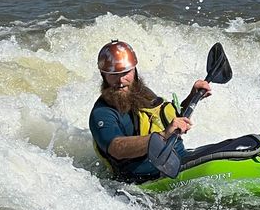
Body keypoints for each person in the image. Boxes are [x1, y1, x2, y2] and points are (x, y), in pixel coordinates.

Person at [88, 39, 212, 182]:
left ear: (134, 70)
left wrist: (193, 96)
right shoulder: (102, 113)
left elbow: (170, 120)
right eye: (114, 74)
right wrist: (163, 135)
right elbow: (117, 148)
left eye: (126, 73)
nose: (121, 80)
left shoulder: (140, 93)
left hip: (176, 158)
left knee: (236, 146)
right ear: (103, 75)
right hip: (145, 178)